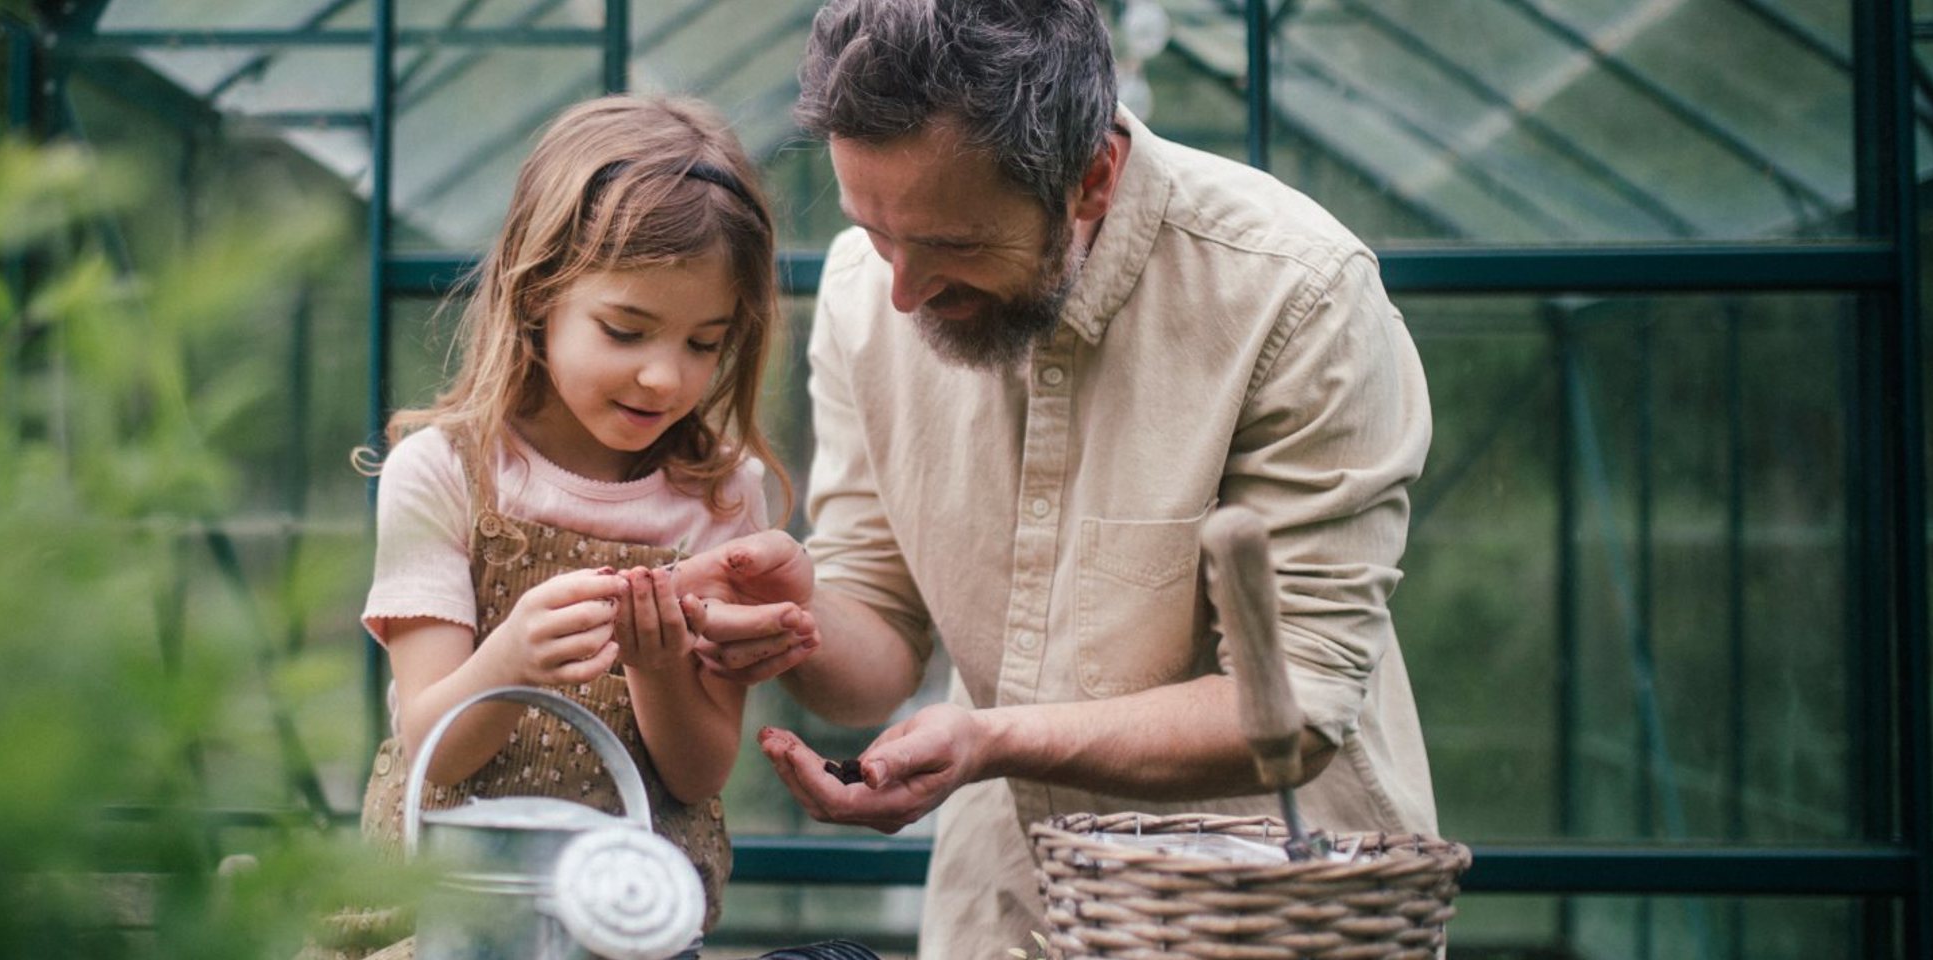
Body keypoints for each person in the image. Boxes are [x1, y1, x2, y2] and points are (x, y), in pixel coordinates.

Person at [675, 0, 1440, 954]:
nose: (904, 290)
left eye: (953, 244)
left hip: (1276, 907)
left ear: (1091, 179)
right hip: (1006, 906)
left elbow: (1299, 702)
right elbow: (877, 647)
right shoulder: (859, 293)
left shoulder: (1295, 293)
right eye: (874, 229)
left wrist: (992, 739)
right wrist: (796, 615)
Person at [340, 94, 815, 958]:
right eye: (626, 330)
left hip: (628, 926)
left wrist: (660, 664)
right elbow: (432, 747)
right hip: (447, 915)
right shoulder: (444, 473)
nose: (666, 378)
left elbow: (699, 774)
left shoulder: (722, 498)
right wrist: (512, 658)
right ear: (536, 296)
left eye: (706, 344)